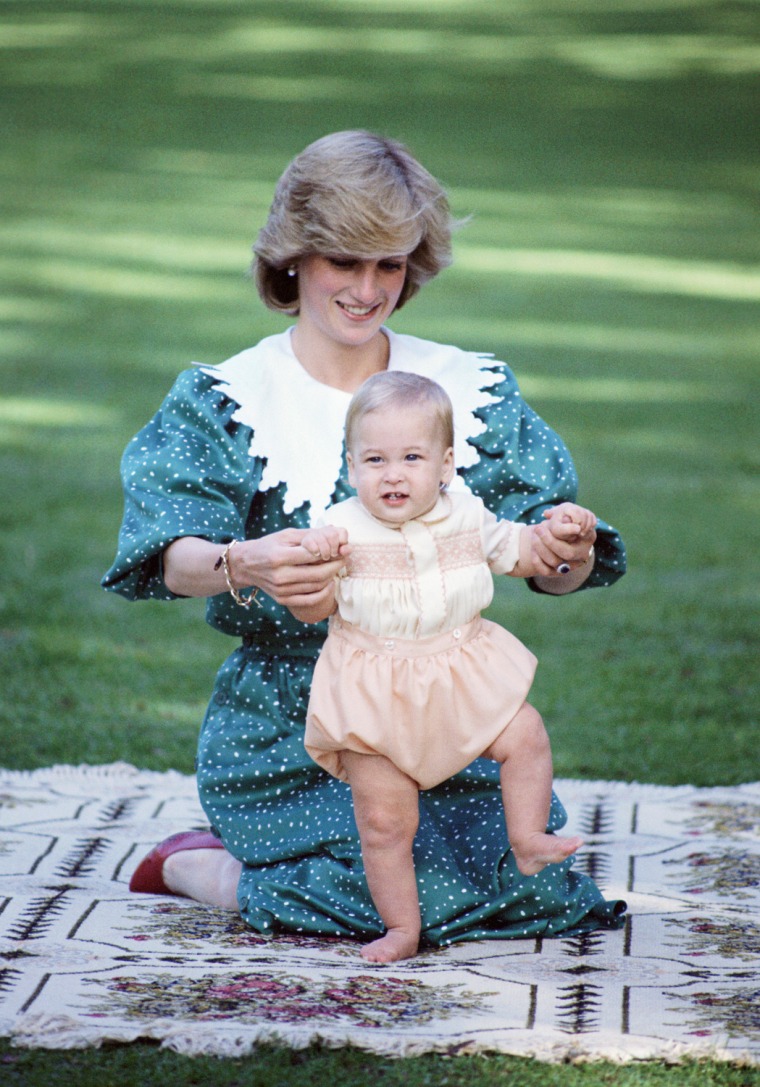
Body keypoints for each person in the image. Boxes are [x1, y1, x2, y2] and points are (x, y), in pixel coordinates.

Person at [104, 130, 627, 953]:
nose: (367, 287)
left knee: (538, 889)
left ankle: (315, 870)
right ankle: (196, 865)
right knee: (367, 890)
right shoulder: (226, 398)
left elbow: (546, 564)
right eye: (344, 261)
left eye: (389, 264)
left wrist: (569, 549)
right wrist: (248, 564)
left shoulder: (463, 392)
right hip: (296, 721)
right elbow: (166, 556)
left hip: (443, 709)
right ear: (292, 259)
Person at [298, 370, 594, 962]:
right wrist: (308, 576)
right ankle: (402, 928)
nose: (393, 473)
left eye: (412, 456)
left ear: (446, 464)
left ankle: (527, 837)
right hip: (373, 691)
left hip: (460, 672)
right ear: (351, 466)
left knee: (526, 734)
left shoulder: (468, 515)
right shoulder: (338, 530)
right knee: (385, 823)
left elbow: (524, 552)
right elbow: (314, 605)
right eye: (374, 459)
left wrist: (561, 531)